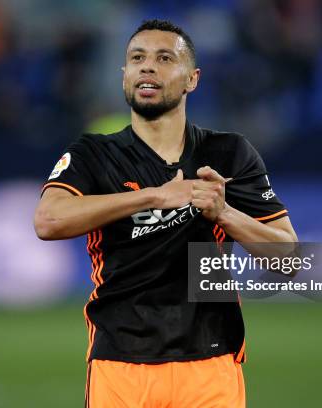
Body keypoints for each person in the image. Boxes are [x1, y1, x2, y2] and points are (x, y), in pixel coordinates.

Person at [34, 19, 297, 408]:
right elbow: (48, 220)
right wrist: (152, 198)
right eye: (137, 58)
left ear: (192, 79)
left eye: (164, 58)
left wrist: (224, 213)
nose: (147, 67)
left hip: (210, 363)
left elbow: (288, 258)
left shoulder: (228, 153)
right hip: (119, 363)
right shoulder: (94, 154)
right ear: (124, 75)